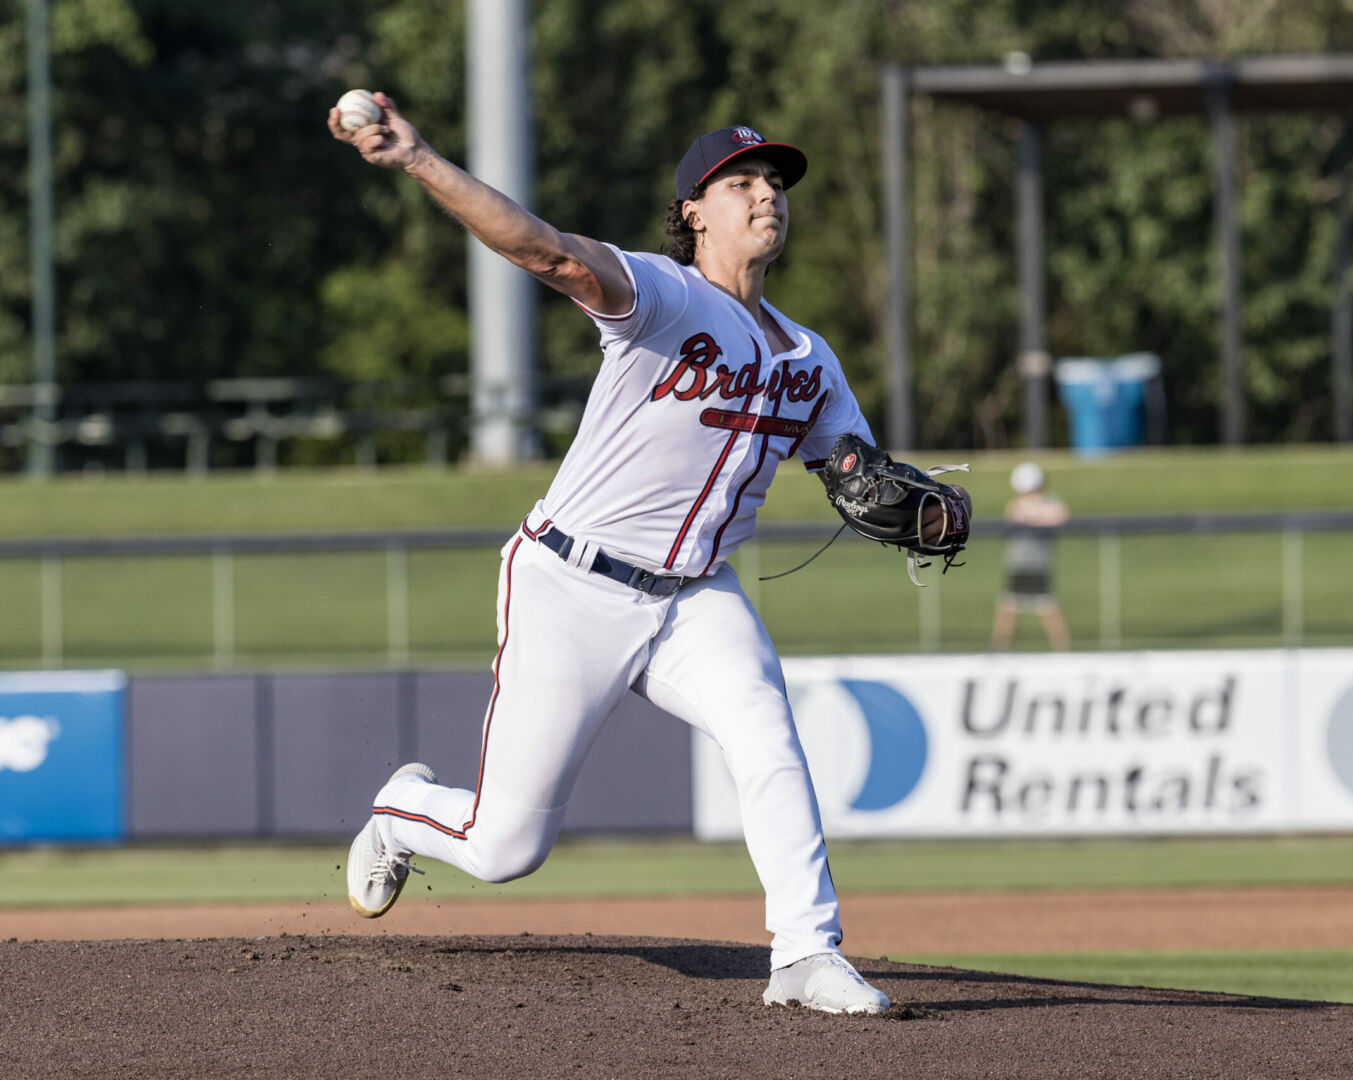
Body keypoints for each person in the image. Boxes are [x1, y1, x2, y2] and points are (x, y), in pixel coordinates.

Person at [328, 93, 968, 1016]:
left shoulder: (813, 361)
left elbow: (853, 472)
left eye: (775, 182)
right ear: (692, 213)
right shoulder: (659, 296)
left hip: (695, 600)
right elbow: (543, 249)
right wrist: (422, 158)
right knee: (506, 848)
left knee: (767, 732)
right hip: (570, 585)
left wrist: (902, 502)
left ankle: (804, 953)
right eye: (740, 182)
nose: (766, 196)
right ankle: (401, 811)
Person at [989, 462, 1070, 651]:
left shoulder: (1050, 502)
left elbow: (1061, 515)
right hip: (1018, 563)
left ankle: (1063, 649)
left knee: (1048, 606)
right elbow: (1010, 522)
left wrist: (1035, 516)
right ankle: (998, 649)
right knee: (1009, 606)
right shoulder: (1016, 505)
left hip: (1039, 563)